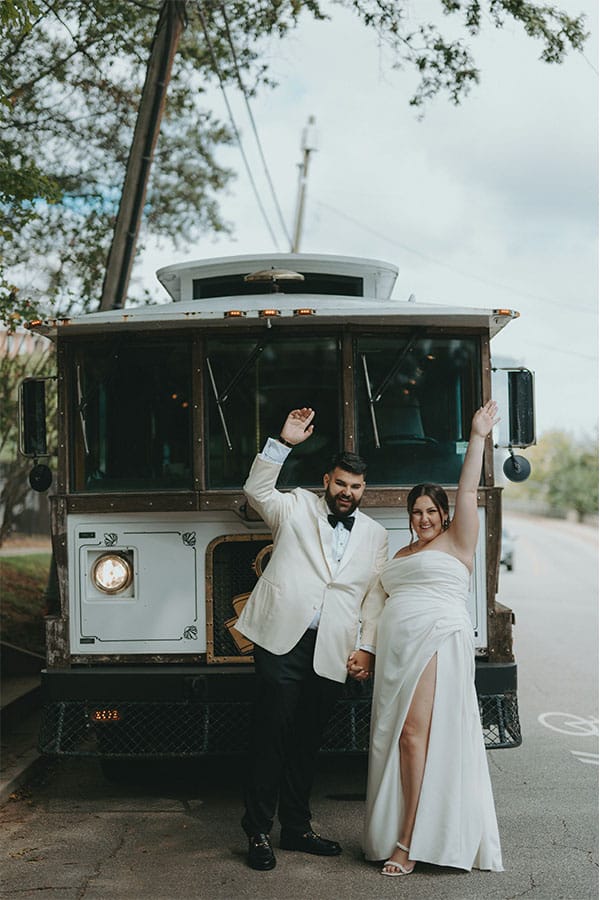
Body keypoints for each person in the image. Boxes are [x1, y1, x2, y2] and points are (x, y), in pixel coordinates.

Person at [236, 406, 389, 871]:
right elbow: (255, 489)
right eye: (341, 483)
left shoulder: (375, 535)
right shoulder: (296, 505)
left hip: (333, 649)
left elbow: (372, 599)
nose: (347, 492)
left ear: (364, 491)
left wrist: (366, 647)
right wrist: (282, 442)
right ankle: (258, 831)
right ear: (328, 480)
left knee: (307, 741)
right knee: (272, 734)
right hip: (281, 640)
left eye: (356, 486)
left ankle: (297, 828)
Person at [360, 400, 503, 876]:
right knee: (397, 738)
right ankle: (402, 831)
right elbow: (375, 601)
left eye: (430, 511)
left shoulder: (457, 541)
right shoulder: (399, 551)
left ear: (444, 515)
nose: (423, 518)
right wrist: (366, 648)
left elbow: (467, 490)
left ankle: (408, 842)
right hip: (395, 654)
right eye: (415, 511)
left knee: (414, 735)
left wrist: (478, 436)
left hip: (435, 640)